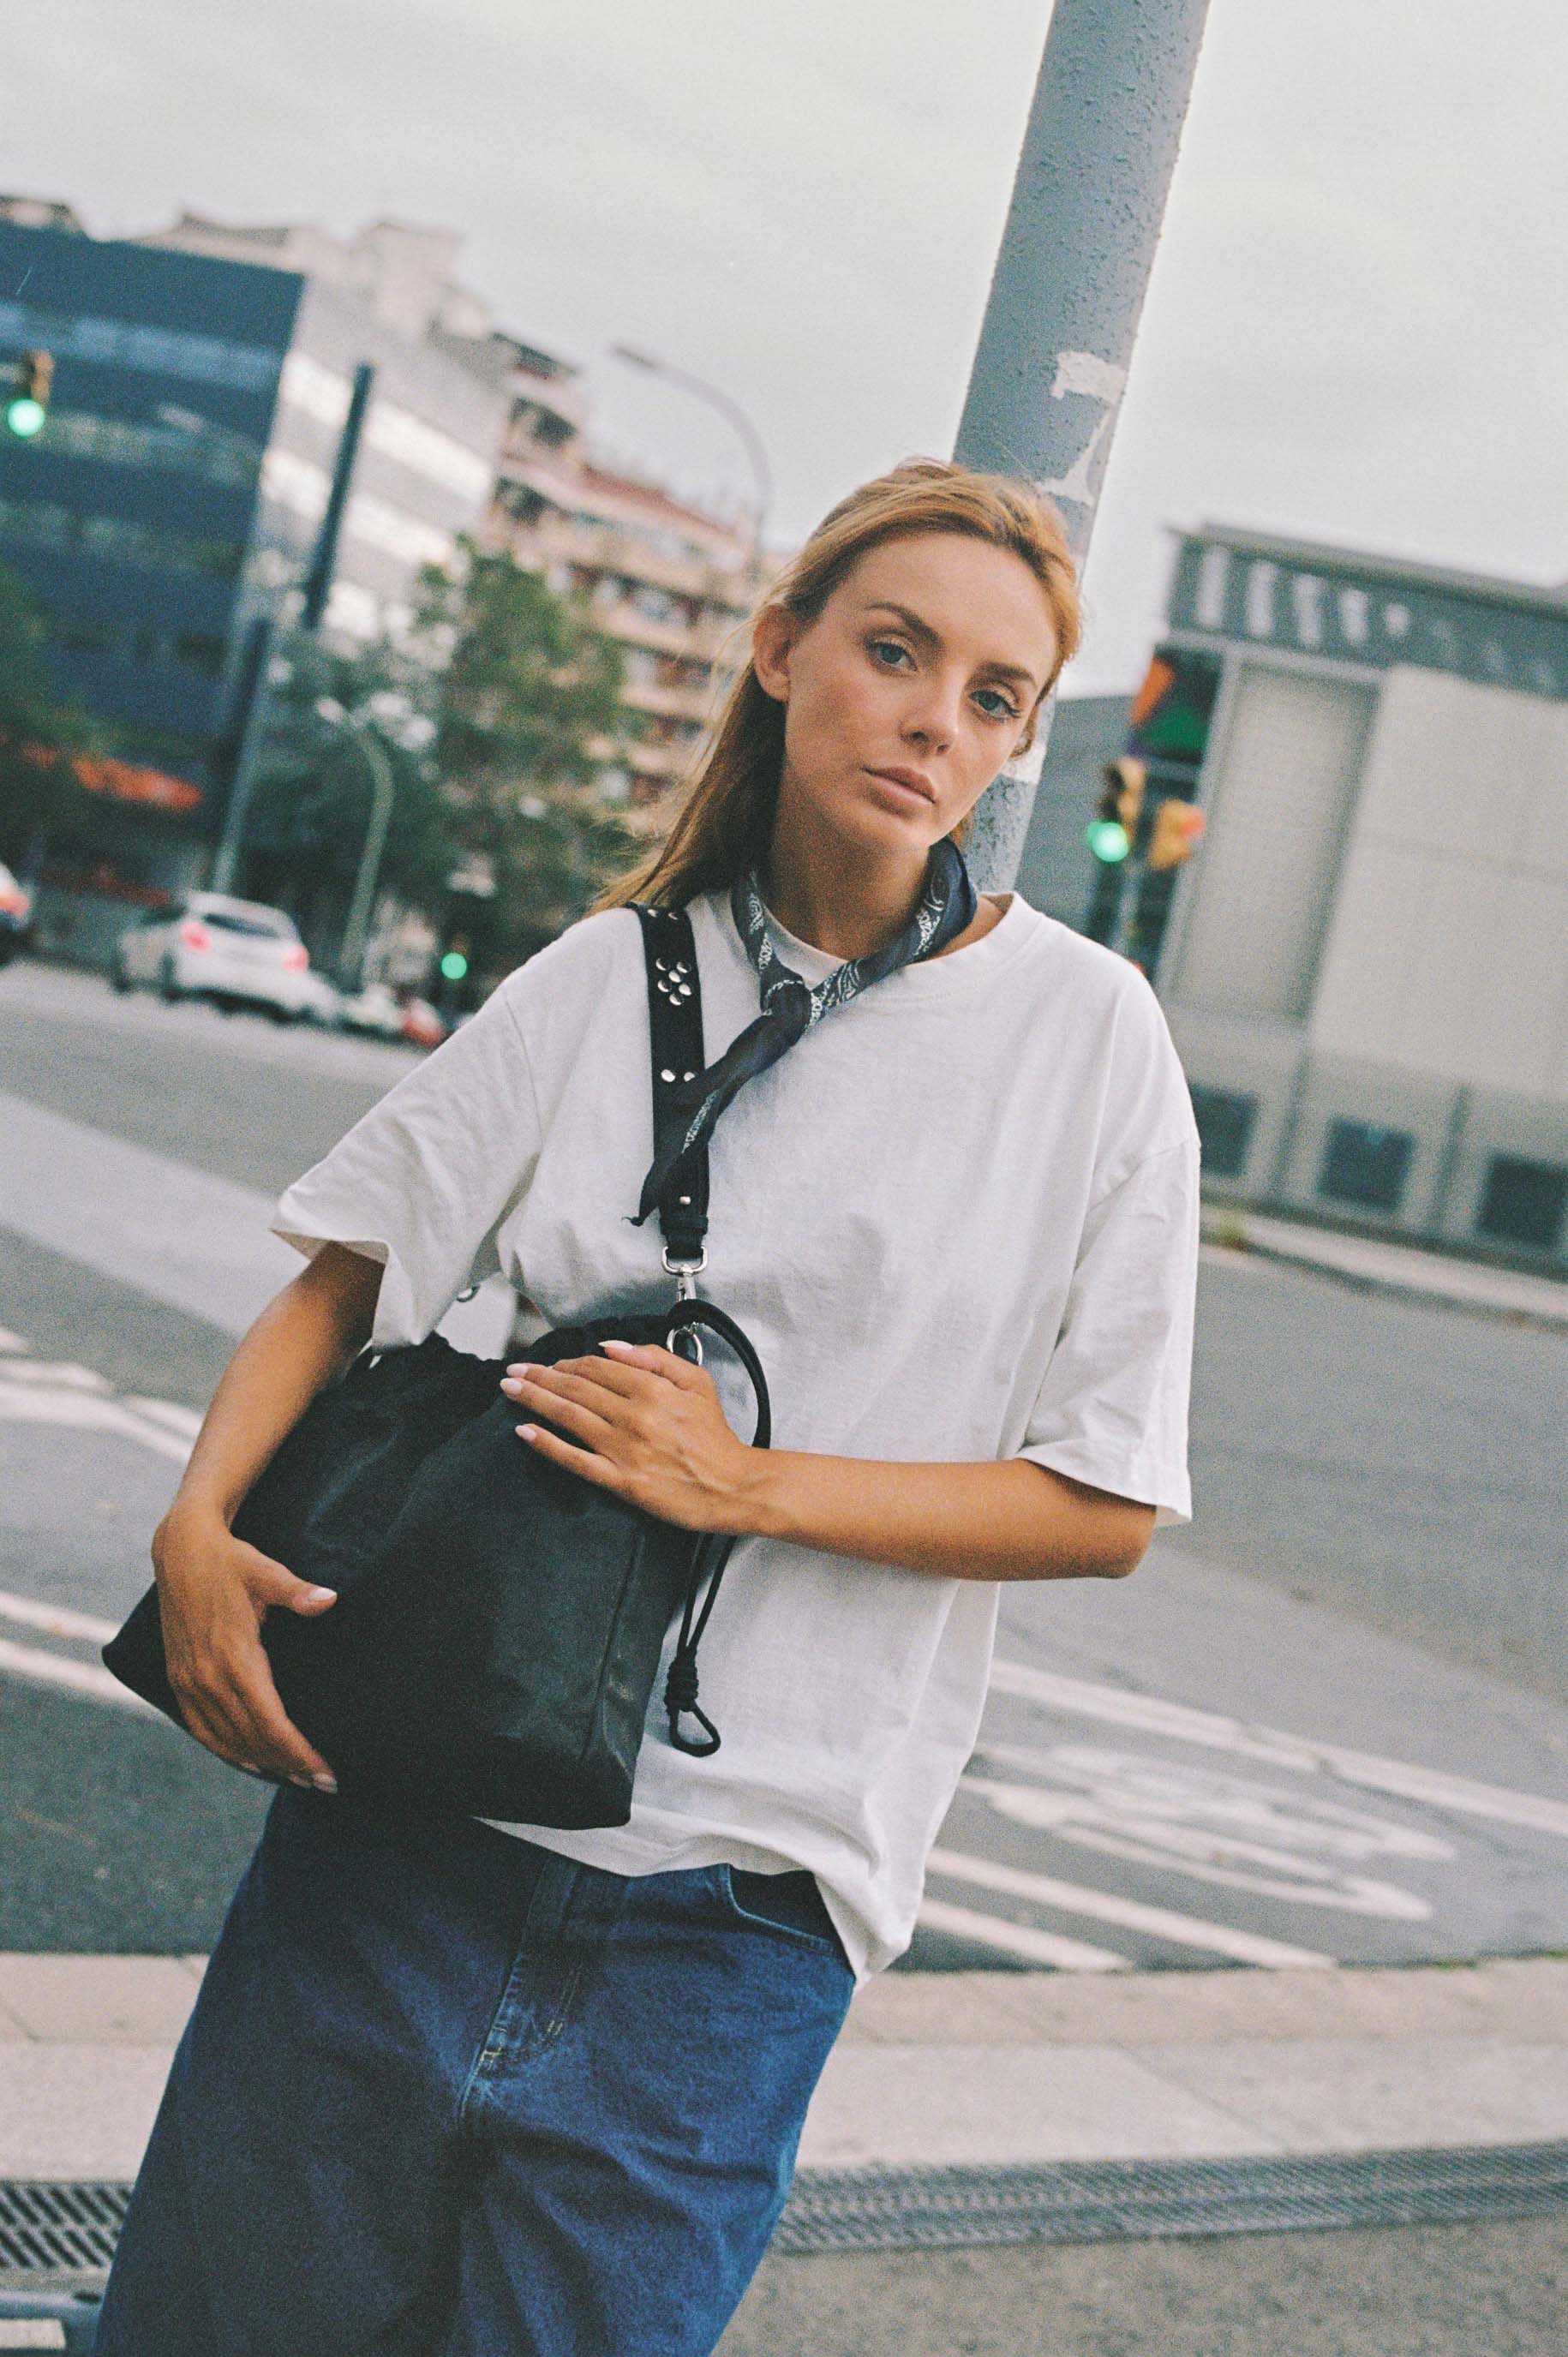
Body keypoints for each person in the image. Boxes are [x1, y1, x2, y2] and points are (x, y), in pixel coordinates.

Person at [95, 458, 1200, 2357]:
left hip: (733, 1927)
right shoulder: (605, 977)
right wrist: (197, 1527)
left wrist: (748, 1481)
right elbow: (342, 1273)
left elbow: (1102, 1500)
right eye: (893, 647)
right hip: (403, 1836)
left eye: (994, 693)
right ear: (779, 653)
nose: (936, 716)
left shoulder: (1089, 1040)